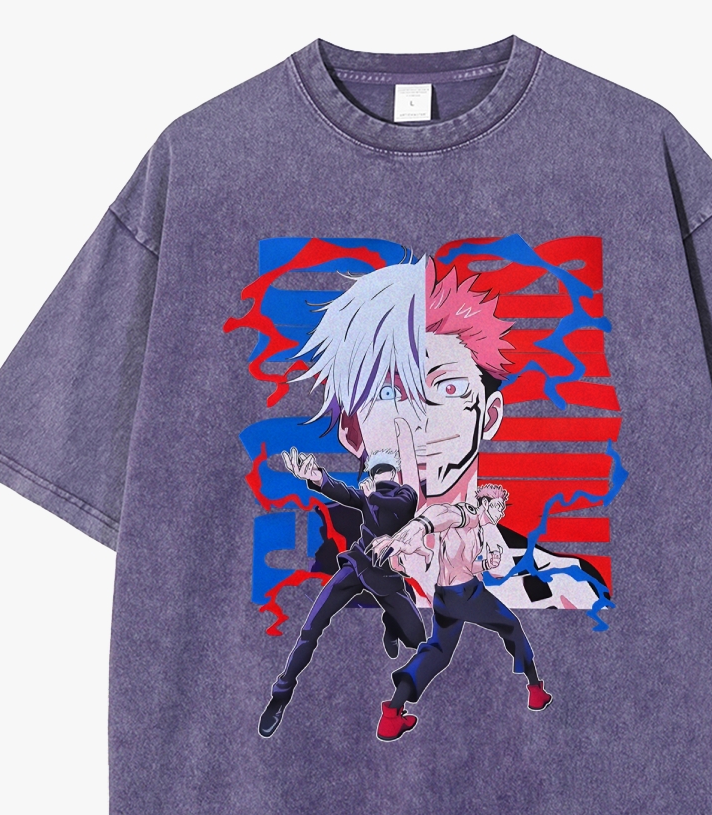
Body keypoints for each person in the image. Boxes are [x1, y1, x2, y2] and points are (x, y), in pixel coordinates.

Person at [296, 256, 608, 612]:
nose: (422, 419)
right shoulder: (313, 586)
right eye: (389, 392)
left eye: (449, 389)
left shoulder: (564, 588)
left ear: (489, 416)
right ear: (352, 431)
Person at [258, 447, 426, 738]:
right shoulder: (368, 495)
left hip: (387, 577)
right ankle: (280, 696)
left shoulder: (405, 494)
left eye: (385, 471)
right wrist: (317, 477)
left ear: (395, 473)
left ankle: (391, 623)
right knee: (311, 628)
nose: (382, 477)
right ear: (371, 474)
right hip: (357, 565)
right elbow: (344, 493)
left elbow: (401, 506)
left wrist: (372, 494)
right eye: (376, 472)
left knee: (418, 639)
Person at [368, 484, 551, 741]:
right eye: (498, 507)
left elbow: (462, 564)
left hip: (446, 598)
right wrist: (417, 528)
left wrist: (486, 564)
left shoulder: (477, 530)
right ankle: (535, 690)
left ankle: (391, 716)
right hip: (466, 595)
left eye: (503, 508)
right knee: (512, 626)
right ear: (484, 504)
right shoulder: (467, 515)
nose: (501, 513)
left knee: (438, 652)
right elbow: (440, 514)